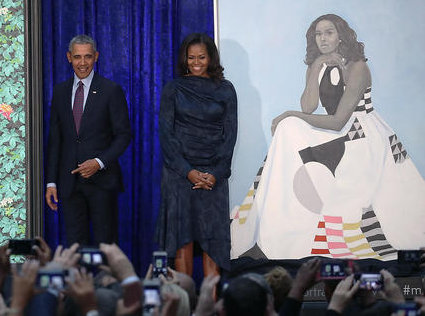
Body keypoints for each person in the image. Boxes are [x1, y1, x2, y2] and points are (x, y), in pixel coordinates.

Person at [231, 14, 425, 260]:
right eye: (318, 34)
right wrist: (316, 66)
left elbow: (338, 121)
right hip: (337, 131)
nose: (322, 38)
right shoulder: (318, 65)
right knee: (288, 128)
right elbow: (309, 106)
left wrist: (290, 114)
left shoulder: (358, 67)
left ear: (341, 35)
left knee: (290, 122)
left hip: (361, 134)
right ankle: (275, 225)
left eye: (329, 32)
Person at [155, 32, 237, 276]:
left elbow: (230, 135)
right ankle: (186, 301)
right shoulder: (173, 89)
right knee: (183, 237)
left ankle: (210, 307)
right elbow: (166, 137)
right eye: (191, 58)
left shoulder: (226, 89)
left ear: (211, 57)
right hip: (180, 176)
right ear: (184, 59)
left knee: (213, 239)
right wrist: (188, 172)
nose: (197, 62)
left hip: (214, 176)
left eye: (202, 57)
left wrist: (216, 173)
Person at [45, 34, 132, 245]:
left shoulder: (111, 90)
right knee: (74, 247)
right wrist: (51, 181)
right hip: (69, 184)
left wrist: (99, 162)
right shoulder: (60, 91)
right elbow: (55, 139)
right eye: (77, 57)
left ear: (96, 57)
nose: (82, 63)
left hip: (102, 182)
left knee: (106, 245)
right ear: (68, 57)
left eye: (87, 57)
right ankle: (77, 280)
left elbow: (124, 135)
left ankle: (107, 280)